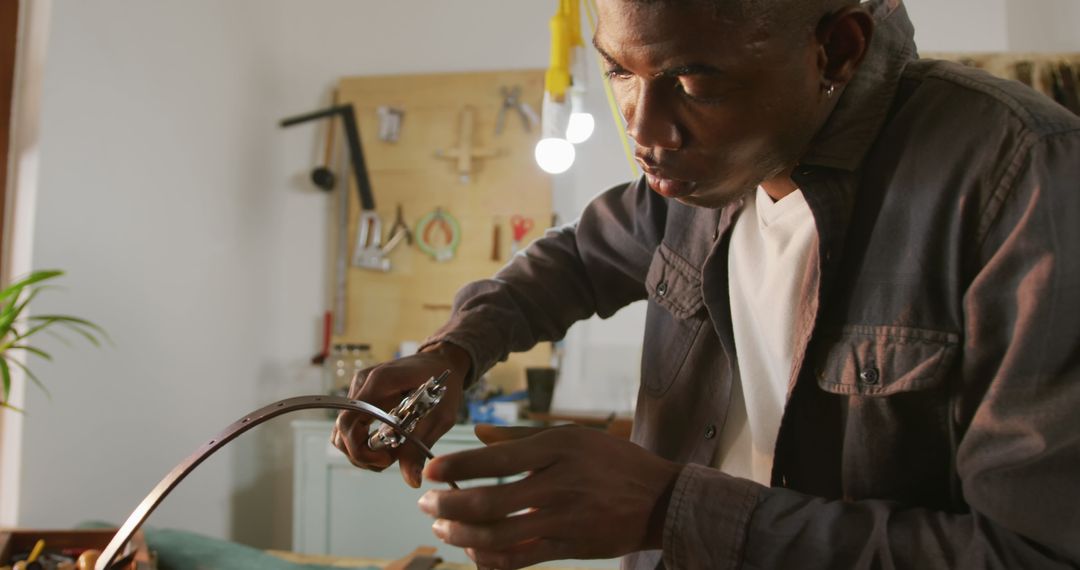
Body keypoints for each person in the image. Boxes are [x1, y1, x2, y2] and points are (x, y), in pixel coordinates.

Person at [332, 0, 1080, 567]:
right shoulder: (693, 181)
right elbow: (575, 261)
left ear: (836, 50)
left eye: (693, 81)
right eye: (619, 71)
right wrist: (453, 353)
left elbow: (1035, 552)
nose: (644, 131)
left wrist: (671, 508)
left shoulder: (1023, 179)